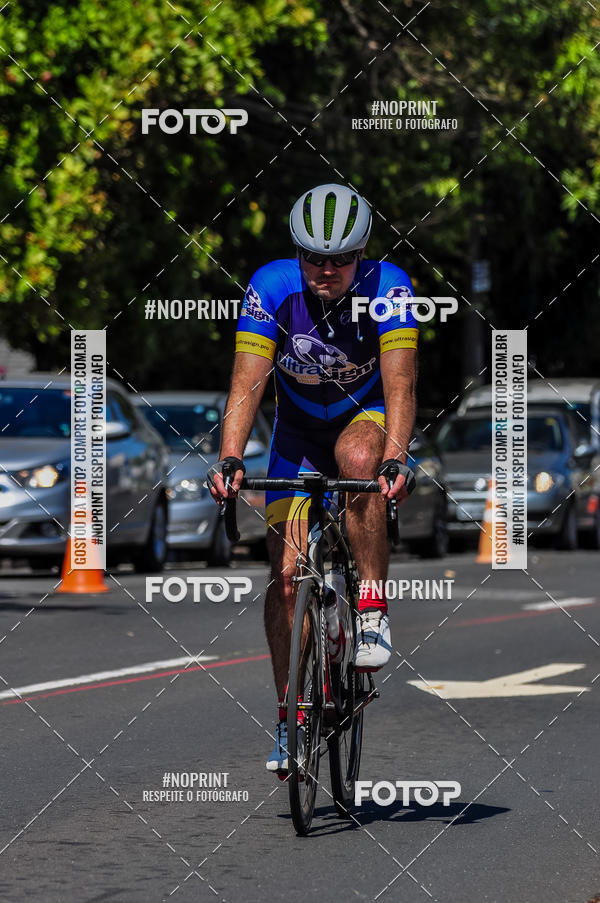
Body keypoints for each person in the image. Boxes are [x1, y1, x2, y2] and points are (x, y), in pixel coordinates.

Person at [208, 183, 418, 774]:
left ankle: (371, 605)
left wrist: (395, 459)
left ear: (362, 255)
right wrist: (230, 458)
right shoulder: (270, 287)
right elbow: (247, 383)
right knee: (283, 579)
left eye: (341, 259)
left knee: (357, 459)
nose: (326, 270)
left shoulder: (391, 288)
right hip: (296, 437)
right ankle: (289, 717)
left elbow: (401, 386)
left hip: (365, 417)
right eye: (314, 258)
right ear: (296, 254)